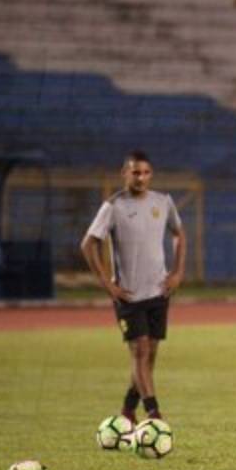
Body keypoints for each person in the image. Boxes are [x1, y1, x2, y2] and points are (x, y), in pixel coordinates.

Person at [80, 150, 186, 425]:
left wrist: (177, 272)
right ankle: (153, 413)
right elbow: (88, 244)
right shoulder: (113, 206)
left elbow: (178, 234)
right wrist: (107, 283)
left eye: (146, 172)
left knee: (149, 354)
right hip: (128, 295)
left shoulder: (163, 202)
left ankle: (128, 410)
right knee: (139, 350)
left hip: (159, 291)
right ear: (124, 173)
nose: (141, 177)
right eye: (135, 172)